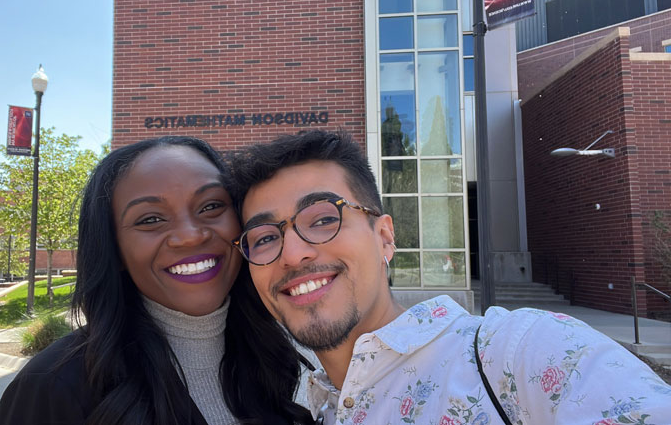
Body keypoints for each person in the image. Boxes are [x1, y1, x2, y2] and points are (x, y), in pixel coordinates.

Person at [229, 130, 671, 425]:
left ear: (384, 238)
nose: (293, 252)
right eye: (265, 238)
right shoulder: (301, 405)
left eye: (323, 218)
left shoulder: (517, 352)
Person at [0, 136, 314, 425]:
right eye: (150, 219)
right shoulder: (54, 386)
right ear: (114, 249)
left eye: (212, 206)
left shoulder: (283, 358)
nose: (190, 236)